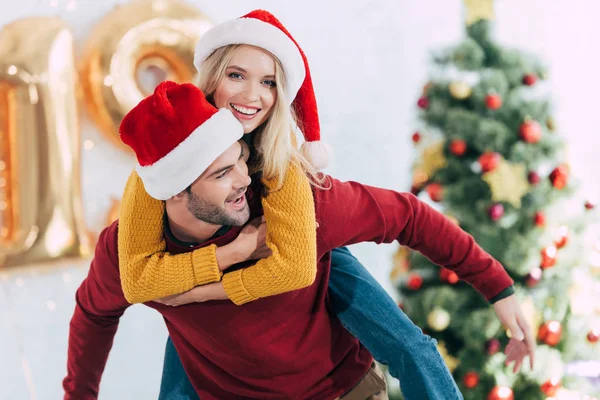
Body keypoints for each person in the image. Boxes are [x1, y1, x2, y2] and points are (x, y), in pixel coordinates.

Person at [115, 10, 534, 400]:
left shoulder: (288, 177)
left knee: (407, 344)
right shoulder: (166, 166)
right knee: (188, 338)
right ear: (211, 78)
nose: (251, 94)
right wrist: (227, 260)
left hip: (310, 249)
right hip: (225, 331)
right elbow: (137, 278)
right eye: (236, 75)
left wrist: (496, 286)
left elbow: (402, 218)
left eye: (269, 82)